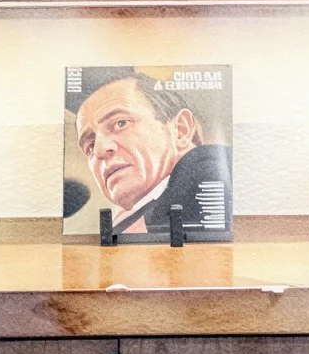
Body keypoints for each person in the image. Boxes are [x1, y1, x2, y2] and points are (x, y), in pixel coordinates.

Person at [70, 69, 232, 240]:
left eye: (121, 123)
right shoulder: (126, 217)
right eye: (90, 145)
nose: (99, 150)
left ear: (181, 130)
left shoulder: (209, 166)